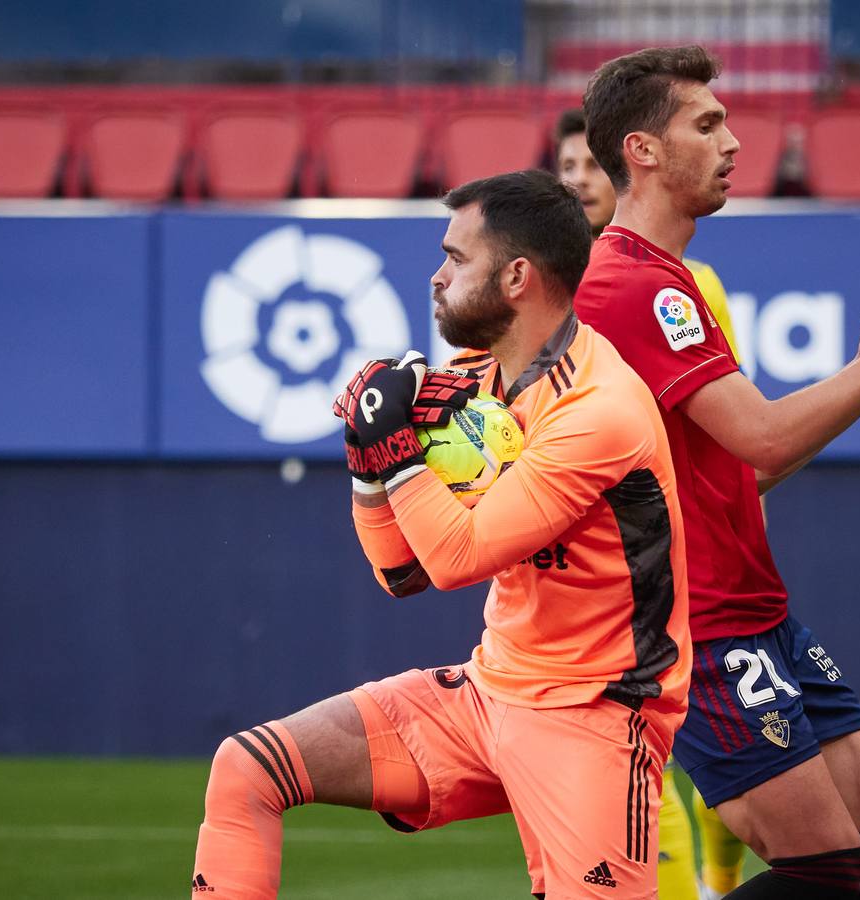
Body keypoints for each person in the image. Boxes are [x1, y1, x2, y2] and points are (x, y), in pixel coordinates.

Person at [189, 169, 693, 899]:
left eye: (457, 259)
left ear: (517, 276)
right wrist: (370, 460)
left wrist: (394, 447)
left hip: (595, 712)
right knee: (248, 769)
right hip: (490, 694)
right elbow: (403, 573)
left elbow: (456, 558)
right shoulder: (473, 380)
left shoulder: (598, 409)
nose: (436, 277)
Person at [576, 46, 860, 900]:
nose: (734, 141)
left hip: (759, 614)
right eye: (707, 123)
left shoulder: (674, 281)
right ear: (643, 151)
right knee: (826, 871)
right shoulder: (629, 285)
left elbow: (743, 470)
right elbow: (765, 440)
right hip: (698, 629)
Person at [556, 105, 748, 900]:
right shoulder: (541, 288)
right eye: (564, 170)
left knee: (716, 771)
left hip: (679, 571)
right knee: (627, 768)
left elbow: (737, 437)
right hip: (583, 575)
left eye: (588, 167)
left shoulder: (686, 285)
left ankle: (718, 880)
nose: (576, 181)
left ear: (627, 168)